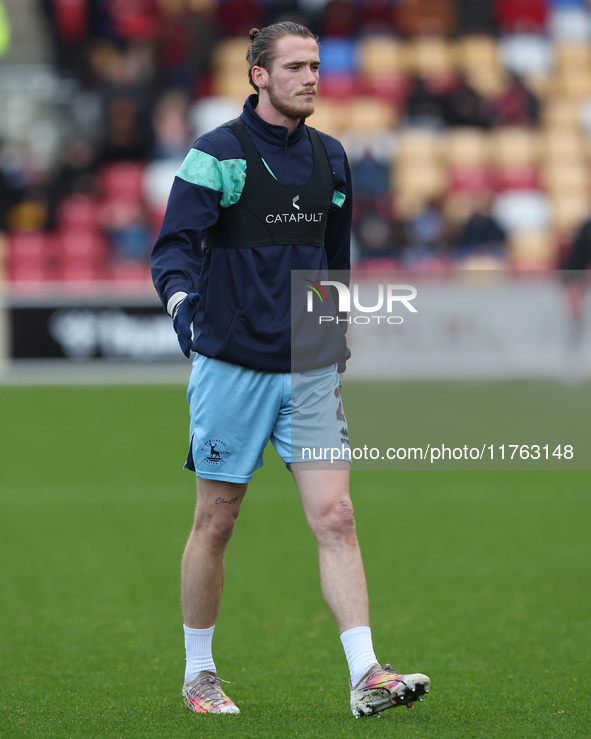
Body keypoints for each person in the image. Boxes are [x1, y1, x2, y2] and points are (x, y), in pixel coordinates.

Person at [151, 21, 430, 718]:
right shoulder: (215, 154)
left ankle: (365, 674)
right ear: (258, 75)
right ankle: (199, 675)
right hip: (232, 366)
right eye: (297, 67)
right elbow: (173, 249)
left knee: (337, 515)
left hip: (307, 366)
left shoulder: (333, 159)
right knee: (217, 521)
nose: (312, 77)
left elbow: (332, 262)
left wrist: (332, 332)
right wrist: (186, 313)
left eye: (314, 66)